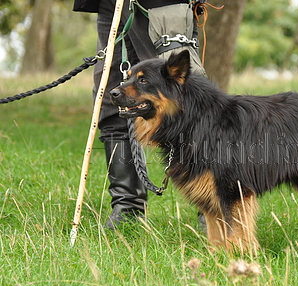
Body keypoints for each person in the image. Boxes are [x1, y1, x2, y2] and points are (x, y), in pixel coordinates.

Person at [73, 0, 206, 228]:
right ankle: (127, 209)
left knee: (186, 100)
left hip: (161, 4)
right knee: (111, 96)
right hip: (110, 3)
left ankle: (213, 210)